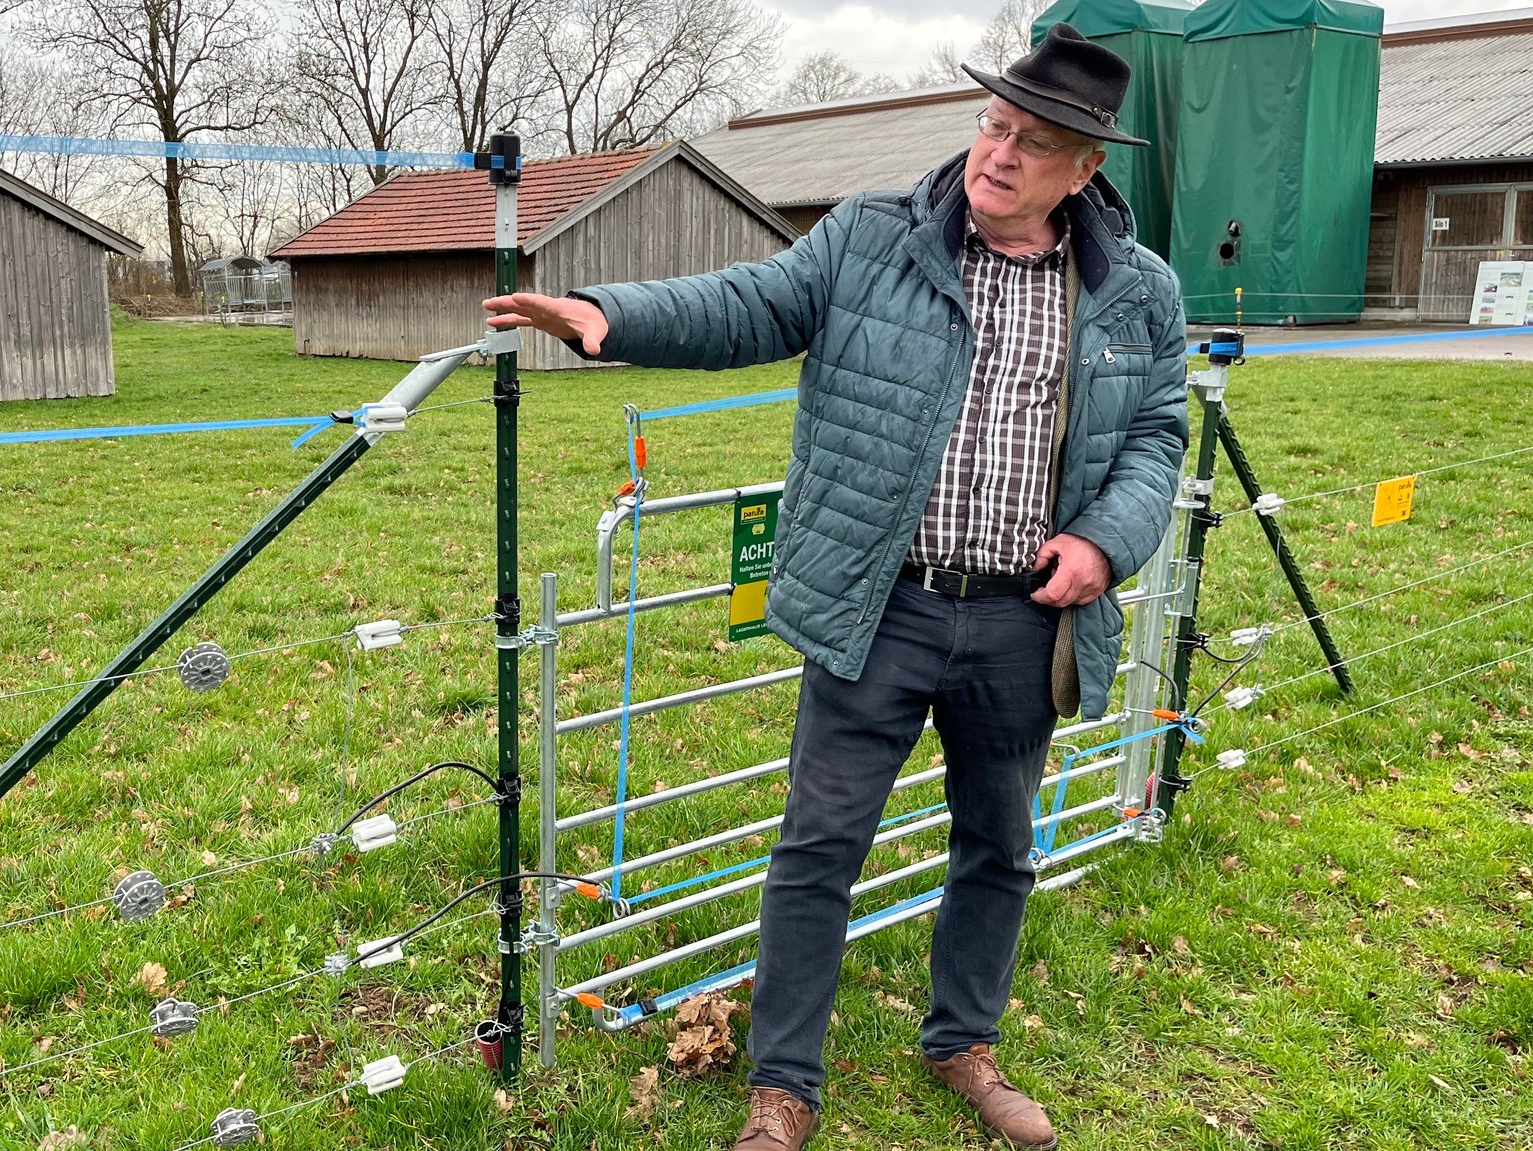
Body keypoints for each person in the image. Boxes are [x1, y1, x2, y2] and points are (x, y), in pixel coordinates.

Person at [484, 23, 1188, 1151]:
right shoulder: (872, 238)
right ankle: (782, 1086)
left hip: (1023, 615)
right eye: (993, 125)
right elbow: (748, 304)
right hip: (881, 603)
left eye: (1033, 140)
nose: (999, 153)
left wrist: (1106, 540)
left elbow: (1157, 430)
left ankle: (962, 1041)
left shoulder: (1134, 291)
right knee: (818, 845)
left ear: (1083, 168)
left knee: (997, 845)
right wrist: (609, 316)